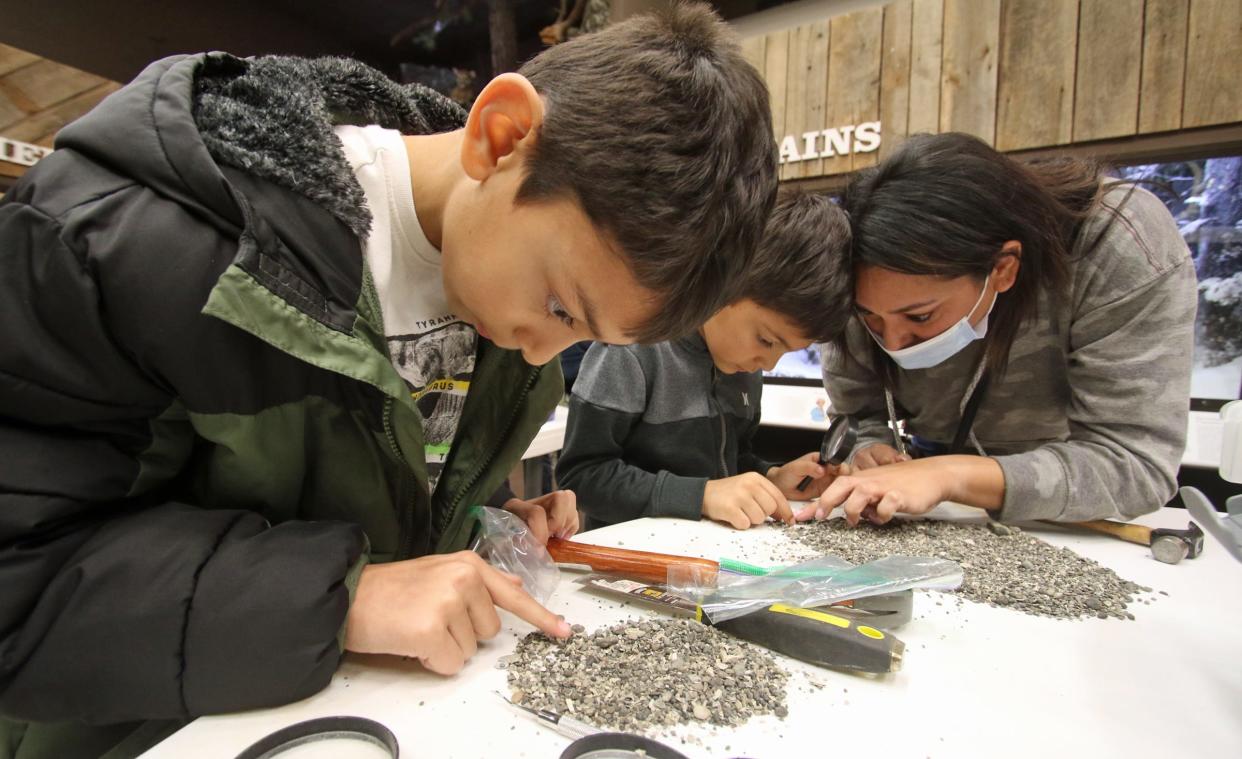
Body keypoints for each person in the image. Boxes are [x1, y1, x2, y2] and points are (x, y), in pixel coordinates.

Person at [0, 3, 778, 754]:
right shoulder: (122, 236)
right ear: (500, 137)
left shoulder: (496, 282)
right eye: (559, 307)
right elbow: (21, 581)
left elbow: (363, 484)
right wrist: (342, 599)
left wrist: (486, 518)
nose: (542, 353)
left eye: (582, 334)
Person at [799, 132, 1197, 527]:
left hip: (1067, 504)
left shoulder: (1115, 241)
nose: (894, 343)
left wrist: (949, 476)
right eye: (870, 318)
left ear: (1003, 268)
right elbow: (857, 417)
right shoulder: (857, 254)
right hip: (930, 495)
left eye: (920, 317)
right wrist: (870, 451)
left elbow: (1133, 465)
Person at [557, 191, 853, 531]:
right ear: (722, 285)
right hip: (632, 562)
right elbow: (581, 477)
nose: (767, 364)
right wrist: (700, 496)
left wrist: (771, 477)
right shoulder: (633, 349)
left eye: (785, 352)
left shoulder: (743, 366)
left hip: (714, 558)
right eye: (766, 340)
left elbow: (731, 462)